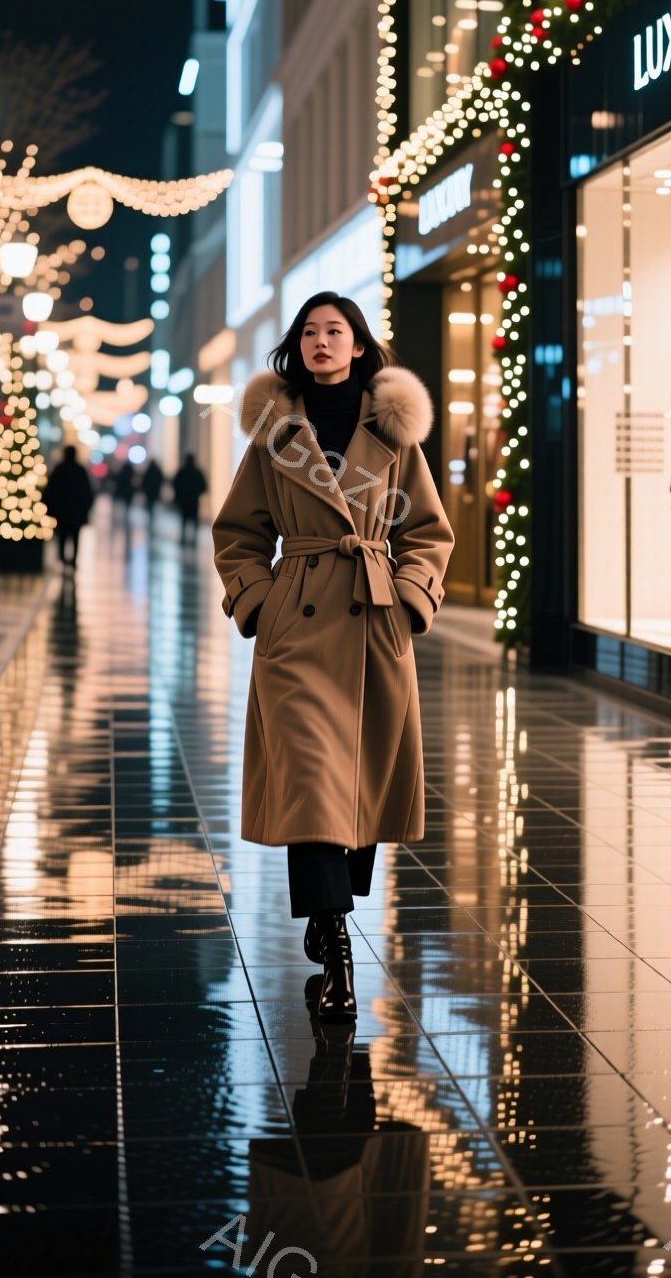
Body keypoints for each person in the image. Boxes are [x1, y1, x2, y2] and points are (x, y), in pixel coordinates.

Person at [212, 292, 454, 1024]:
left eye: (335, 331)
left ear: (356, 346)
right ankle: (341, 957)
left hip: (375, 621)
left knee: (361, 790)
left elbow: (429, 532)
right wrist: (259, 602)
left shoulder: (392, 431)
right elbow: (238, 533)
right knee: (315, 785)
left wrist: (413, 598)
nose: (322, 342)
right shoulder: (275, 433)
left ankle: (325, 918)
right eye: (310, 332)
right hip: (299, 628)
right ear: (297, 346)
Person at [43, 444, 94, 570]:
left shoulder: (59, 469)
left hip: (61, 511)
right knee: (75, 537)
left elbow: (49, 491)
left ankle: (63, 559)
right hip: (76, 512)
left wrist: (51, 507)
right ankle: (73, 560)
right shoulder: (79, 470)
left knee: (62, 536)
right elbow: (87, 492)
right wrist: (85, 508)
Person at [172, 452, 208, 544]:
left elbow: (175, 485)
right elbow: (204, 486)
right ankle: (194, 538)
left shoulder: (181, 472)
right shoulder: (197, 472)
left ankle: (183, 538)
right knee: (194, 519)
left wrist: (178, 496)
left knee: (184, 519)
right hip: (193, 500)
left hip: (184, 500)